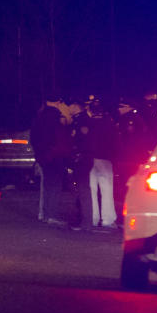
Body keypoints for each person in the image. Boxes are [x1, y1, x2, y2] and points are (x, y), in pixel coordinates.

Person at [29, 95, 81, 228]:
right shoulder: (56, 118)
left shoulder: (39, 117)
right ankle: (52, 215)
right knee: (55, 186)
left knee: (47, 185)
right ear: (58, 103)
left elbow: (34, 138)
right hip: (55, 157)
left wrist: (40, 154)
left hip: (43, 157)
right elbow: (60, 140)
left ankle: (46, 215)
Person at [74, 94, 119, 230]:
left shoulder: (87, 121)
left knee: (91, 189)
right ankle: (108, 219)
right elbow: (115, 141)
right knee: (107, 189)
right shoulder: (109, 121)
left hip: (90, 158)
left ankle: (92, 217)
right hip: (105, 158)